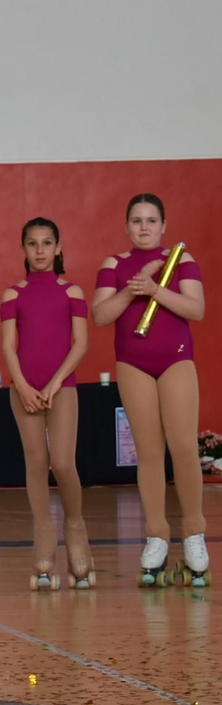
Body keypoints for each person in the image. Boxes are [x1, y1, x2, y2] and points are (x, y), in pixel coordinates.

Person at [92, 193, 210, 587]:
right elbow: (101, 314)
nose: (144, 226)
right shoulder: (115, 265)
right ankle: (156, 535)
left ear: (163, 226)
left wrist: (157, 289)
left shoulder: (183, 261)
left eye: (151, 220)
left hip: (176, 360)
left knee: (183, 446)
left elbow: (196, 309)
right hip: (133, 364)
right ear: (127, 226)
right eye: (137, 220)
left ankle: (193, 533)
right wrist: (132, 290)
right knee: (149, 451)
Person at [0, 217, 91, 589]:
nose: (40, 250)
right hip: (25, 389)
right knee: (36, 462)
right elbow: (8, 345)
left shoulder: (74, 293)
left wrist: (54, 384)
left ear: (58, 248)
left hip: (62, 386)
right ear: (23, 249)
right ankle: (43, 534)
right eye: (33, 244)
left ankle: (76, 525)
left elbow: (80, 344)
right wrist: (21, 385)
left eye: (47, 243)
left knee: (63, 462)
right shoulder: (12, 295)